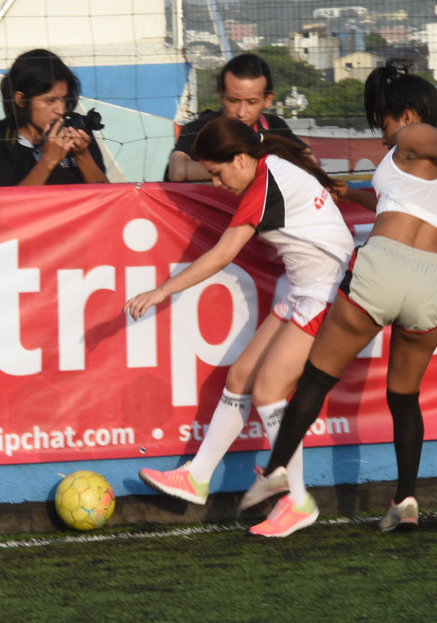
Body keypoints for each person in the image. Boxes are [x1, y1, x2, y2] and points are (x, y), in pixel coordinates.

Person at [241, 61, 437, 531]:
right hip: (430, 281)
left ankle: (277, 470)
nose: (383, 136)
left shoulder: (416, 136)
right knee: (404, 398)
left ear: (409, 116)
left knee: (316, 379)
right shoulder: (431, 168)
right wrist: (348, 193)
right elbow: (391, 201)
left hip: (383, 267)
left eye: (386, 123)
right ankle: (405, 501)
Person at [126, 116, 354, 538]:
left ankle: (298, 501)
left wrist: (162, 291)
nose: (216, 184)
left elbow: (222, 254)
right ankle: (197, 476)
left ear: (242, 159)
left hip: (324, 293)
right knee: (241, 376)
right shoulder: (267, 168)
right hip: (303, 287)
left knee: (269, 392)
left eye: (217, 173)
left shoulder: (265, 184)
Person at [166, 52, 308, 183]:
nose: (241, 112)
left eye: (251, 102)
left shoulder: (274, 126)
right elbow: (177, 171)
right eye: (233, 101)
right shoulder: (202, 128)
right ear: (220, 95)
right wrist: (238, 171)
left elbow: (308, 159)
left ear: (268, 99)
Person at [0, 49, 106, 187]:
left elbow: (106, 194)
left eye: (64, 99)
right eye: (50, 101)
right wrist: (49, 160)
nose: (60, 110)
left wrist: (82, 155)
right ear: (21, 100)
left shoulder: (75, 127)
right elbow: (10, 200)